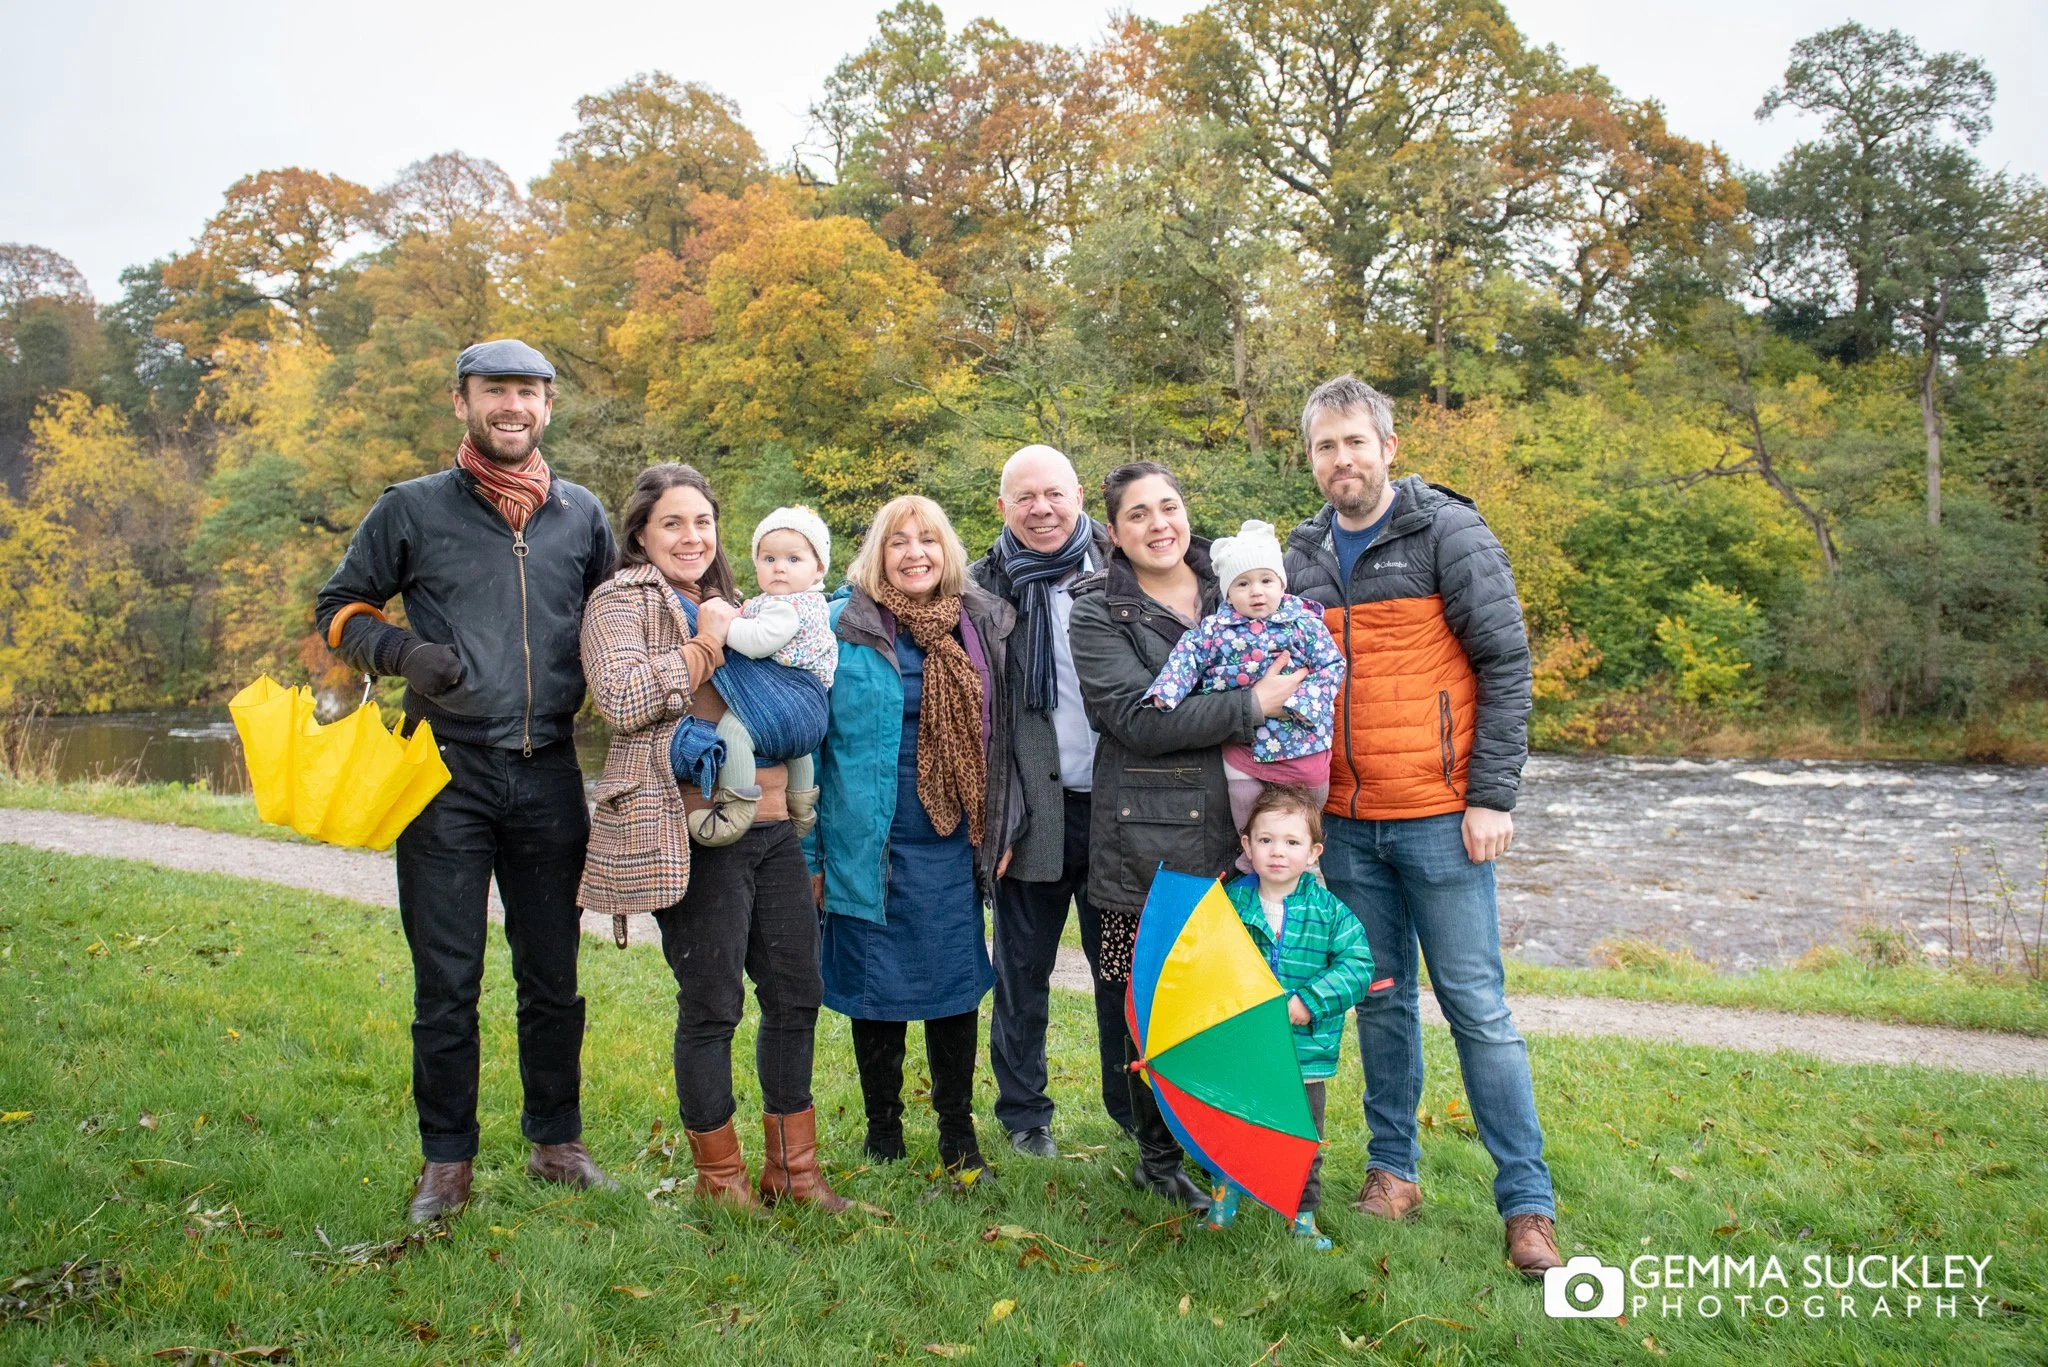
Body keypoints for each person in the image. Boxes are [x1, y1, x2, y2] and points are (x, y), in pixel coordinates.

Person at [315, 339, 618, 1223]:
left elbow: (618, 617)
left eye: (528, 391)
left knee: (553, 975)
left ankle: (557, 1142)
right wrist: (403, 650)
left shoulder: (581, 513)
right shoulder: (411, 508)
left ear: (549, 406)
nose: (512, 406)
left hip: (551, 769)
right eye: (495, 391)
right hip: (443, 769)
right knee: (447, 979)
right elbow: (337, 609)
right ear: (462, 401)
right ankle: (446, 1164)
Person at [1280, 374, 1561, 1276]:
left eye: (1356, 441)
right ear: (1311, 457)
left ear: (1388, 447)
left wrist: (1493, 795)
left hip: (1443, 817)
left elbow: (1506, 663)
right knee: (1381, 1001)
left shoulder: (1447, 530)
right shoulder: (1302, 552)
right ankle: (1393, 1171)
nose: (1342, 459)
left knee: (1479, 1009)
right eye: (1326, 446)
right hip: (1351, 825)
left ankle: (1527, 1205)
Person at [579, 465, 845, 1213]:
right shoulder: (620, 601)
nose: (692, 536)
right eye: (673, 523)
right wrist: (705, 648)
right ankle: (720, 1182)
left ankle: (794, 1173)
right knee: (713, 1002)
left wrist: (726, 625)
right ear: (640, 532)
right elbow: (624, 698)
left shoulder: (743, 602)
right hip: (691, 830)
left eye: (703, 521)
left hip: (771, 828)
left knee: (797, 992)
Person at [1066, 461, 1305, 1212]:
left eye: (1168, 506)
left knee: (1228, 999)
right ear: (1115, 531)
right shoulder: (1097, 609)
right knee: (1140, 1002)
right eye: (1138, 514)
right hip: (1144, 841)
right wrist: (1251, 703)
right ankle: (1155, 1153)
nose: (1158, 523)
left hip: (1245, 827)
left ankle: (1225, 1142)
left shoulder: (1236, 579)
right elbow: (1132, 718)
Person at [814, 495, 1019, 1176]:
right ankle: (883, 1131)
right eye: (897, 541)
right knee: (877, 989)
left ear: (947, 550)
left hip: (952, 842)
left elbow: (1007, 734)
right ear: (877, 553)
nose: (913, 553)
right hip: (868, 840)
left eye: (926, 540)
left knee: (954, 986)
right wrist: (813, 851)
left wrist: (1001, 829)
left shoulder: (978, 622)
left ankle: (959, 1135)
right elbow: (814, 745)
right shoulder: (843, 623)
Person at [969, 444, 1134, 1160]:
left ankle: (1132, 1108)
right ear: (1003, 507)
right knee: (1022, 971)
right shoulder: (979, 588)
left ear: (1078, 497)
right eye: (1025, 496)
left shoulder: (1124, 565)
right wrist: (994, 820)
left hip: (1117, 817)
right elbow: (974, 717)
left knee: (1120, 970)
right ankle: (1024, 1113)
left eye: (1054, 493)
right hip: (1030, 814)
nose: (1041, 508)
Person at [1202, 785, 1374, 1250]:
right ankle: (1224, 1201)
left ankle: (1301, 1217)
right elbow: (1207, 960)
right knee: (1235, 1127)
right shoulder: (1229, 906)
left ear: (1314, 852)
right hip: (1245, 1048)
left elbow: (1357, 965)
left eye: (1292, 843)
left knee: (1301, 1139)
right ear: (1247, 846)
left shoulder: (1330, 913)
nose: (1278, 852)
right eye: (1266, 841)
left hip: (1304, 1056)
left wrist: (1309, 1001)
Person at [1142, 518, 1345, 839]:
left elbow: (1331, 665)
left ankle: (1302, 853)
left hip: (1303, 741)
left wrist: (1303, 702)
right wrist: (1167, 691)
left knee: (1307, 812)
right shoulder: (1213, 631)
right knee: (1245, 809)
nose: (1257, 592)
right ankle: (1250, 854)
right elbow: (1186, 658)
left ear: (1281, 584)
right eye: (1243, 584)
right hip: (1244, 746)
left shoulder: (1304, 623)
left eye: (1266, 581)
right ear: (1227, 593)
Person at [689, 506, 836, 845]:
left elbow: (756, 643)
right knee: (794, 748)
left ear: (819, 570)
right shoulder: (807, 602)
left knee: (734, 731)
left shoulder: (787, 607)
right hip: (807, 709)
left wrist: (724, 627)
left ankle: (735, 810)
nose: (780, 567)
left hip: (789, 695)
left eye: (793, 559)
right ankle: (801, 806)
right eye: (768, 559)